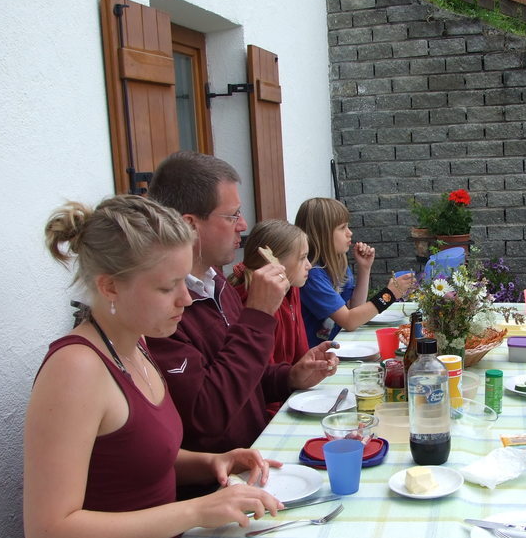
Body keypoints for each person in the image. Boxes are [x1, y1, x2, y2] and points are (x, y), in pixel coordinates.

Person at [27, 195, 354, 538]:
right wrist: (194, 511)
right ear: (109, 286)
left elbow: (133, 457)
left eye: (184, 281)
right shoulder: (75, 369)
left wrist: (209, 461)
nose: (185, 298)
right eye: (168, 286)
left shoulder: (134, 344)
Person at [146, 152, 340, 453]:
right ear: (190, 225)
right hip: (217, 484)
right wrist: (259, 315)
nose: (243, 224)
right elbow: (205, 416)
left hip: (257, 454)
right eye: (232, 215)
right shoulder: (162, 310)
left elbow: (246, 378)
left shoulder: (216, 284)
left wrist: (290, 376)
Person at [295, 197, 414, 347]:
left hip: (336, 346)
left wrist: (364, 268)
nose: (349, 233)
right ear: (322, 234)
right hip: (315, 355)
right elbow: (349, 321)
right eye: (342, 227)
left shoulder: (337, 263)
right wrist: (389, 295)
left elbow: (355, 309)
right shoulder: (312, 275)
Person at [228, 219, 312, 418]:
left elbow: (300, 355)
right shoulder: (256, 302)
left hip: (290, 394)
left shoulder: (291, 290)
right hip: (269, 412)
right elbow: (263, 376)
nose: (309, 265)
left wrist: (310, 366)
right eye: (302, 258)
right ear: (274, 263)